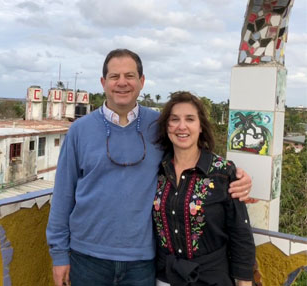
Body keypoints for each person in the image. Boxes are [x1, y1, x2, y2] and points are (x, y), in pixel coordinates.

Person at [46, 49, 252, 286]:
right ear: (103, 83)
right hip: (87, 259)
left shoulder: (159, 125)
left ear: (142, 82)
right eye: (114, 76)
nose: (122, 83)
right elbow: (63, 195)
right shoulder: (79, 131)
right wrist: (59, 254)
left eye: (130, 75)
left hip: (142, 262)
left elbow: (190, 154)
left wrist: (235, 176)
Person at [153, 91, 254, 286]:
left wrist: (244, 282)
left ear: (200, 127)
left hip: (211, 279)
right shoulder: (158, 170)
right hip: (165, 278)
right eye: (174, 120)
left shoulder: (223, 173)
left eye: (190, 119)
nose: (182, 126)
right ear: (167, 127)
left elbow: (240, 233)